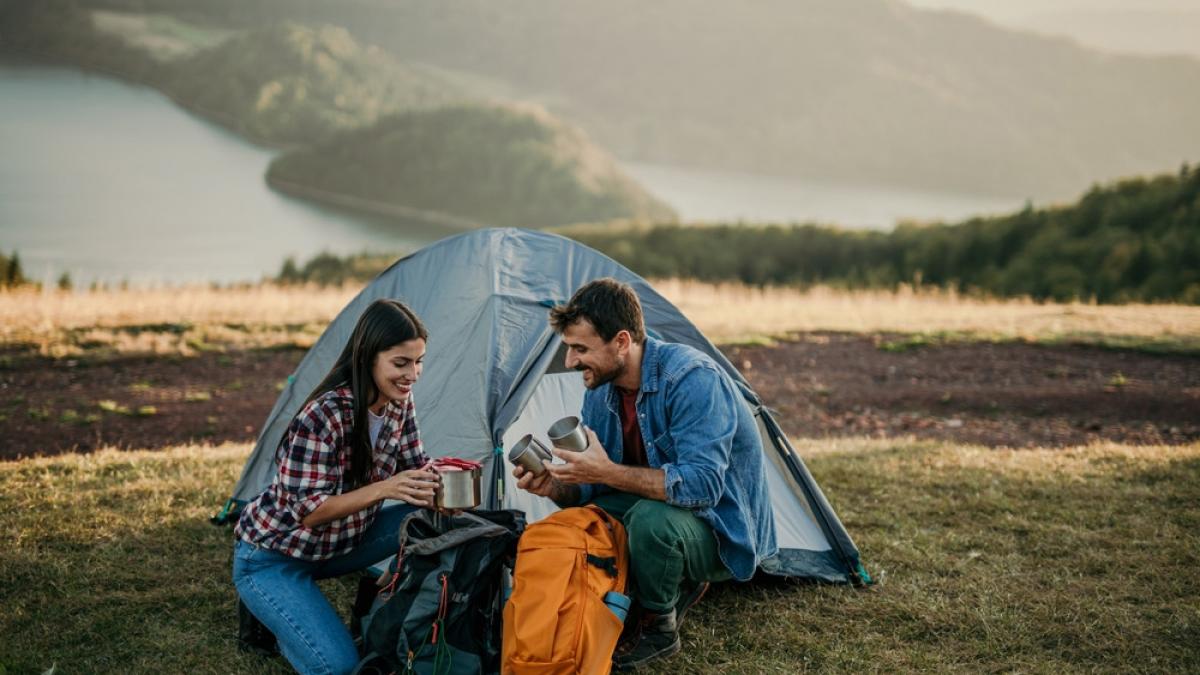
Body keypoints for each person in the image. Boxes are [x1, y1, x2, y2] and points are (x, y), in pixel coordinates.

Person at [513, 278, 778, 670]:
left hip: (720, 527)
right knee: (580, 519)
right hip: (656, 507)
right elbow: (595, 487)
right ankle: (644, 585)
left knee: (651, 524)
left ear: (622, 341)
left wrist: (608, 472)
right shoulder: (601, 389)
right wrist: (555, 486)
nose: (570, 362)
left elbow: (703, 486)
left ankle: (658, 625)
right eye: (569, 348)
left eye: (580, 349)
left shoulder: (692, 379)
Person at [233, 299, 442, 675]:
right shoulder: (323, 414)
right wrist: (385, 488)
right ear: (367, 357)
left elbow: (415, 465)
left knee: (427, 518)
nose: (413, 374)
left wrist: (445, 479)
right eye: (401, 363)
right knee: (340, 667)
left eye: (419, 361)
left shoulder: (399, 401)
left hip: (340, 545)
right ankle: (269, 609)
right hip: (274, 556)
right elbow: (310, 512)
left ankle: (405, 605)